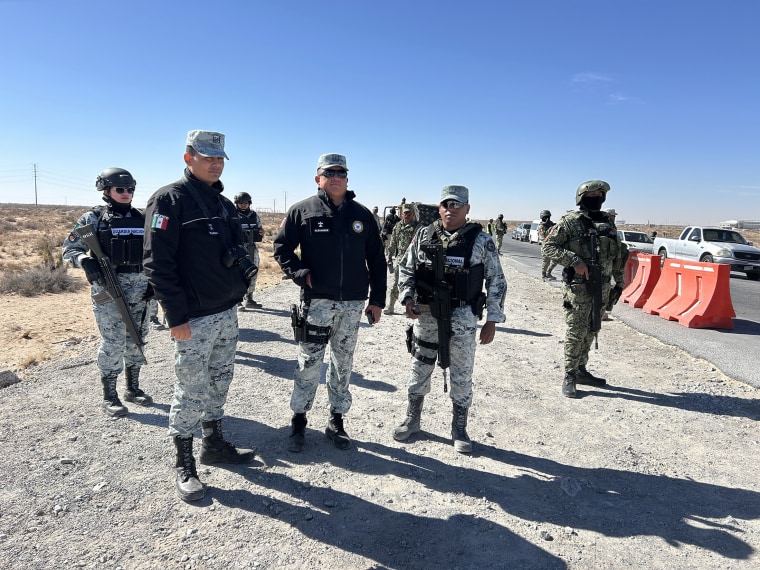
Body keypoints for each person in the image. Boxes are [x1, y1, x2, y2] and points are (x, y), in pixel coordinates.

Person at [143, 130, 256, 502]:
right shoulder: (169, 200)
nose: (215, 163)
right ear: (188, 157)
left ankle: (214, 444)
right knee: (190, 388)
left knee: (220, 380)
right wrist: (175, 317)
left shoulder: (223, 204)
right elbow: (157, 265)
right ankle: (184, 462)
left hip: (225, 311)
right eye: (207, 156)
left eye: (220, 157)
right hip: (192, 317)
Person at [273, 153, 387, 452]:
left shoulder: (363, 216)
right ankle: (299, 419)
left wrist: (377, 300)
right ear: (318, 178)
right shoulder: (303, 211)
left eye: (341, 172)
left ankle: (336, 419)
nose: (336, 177)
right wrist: (298, 273)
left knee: (343, 363)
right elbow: (281, 247)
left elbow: (376, 260)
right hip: (317, 302)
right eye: (329, 172)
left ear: (347, 178)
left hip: (351, 304)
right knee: (309, 362)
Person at [392, 185, 507, 454]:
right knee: (420, 366)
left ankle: (459, 427)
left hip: (463, 317)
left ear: (467, 208)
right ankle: (412, 418)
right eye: (445, 204)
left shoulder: (481, 240)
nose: (450, 209)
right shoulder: (423, 234)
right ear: (439, 207)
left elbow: (496, 280)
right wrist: (407, 299)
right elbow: (406, 268)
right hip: (427, 315)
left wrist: (493, 319)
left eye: (456, 205)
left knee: (462, 371)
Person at [62, 167, 153, 418]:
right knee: (113, 341)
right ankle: (109, 395)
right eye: (120, 189)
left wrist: (155, 282)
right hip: (107, 288)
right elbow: (69, 248)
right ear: (106, 190)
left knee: (138, 337)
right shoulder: (93, 219)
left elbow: (156, 251)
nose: (126, 194)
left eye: (130, 189)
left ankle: (133, 388)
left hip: (142, 288)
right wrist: (84, 261)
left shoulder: (143, 217)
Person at [542, 180, 628, 399]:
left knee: (592, 328)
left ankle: (581, 369)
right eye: (592, 194)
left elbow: (617, 254)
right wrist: (574, 260)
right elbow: (549, 246)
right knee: (576, 331)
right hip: (579, 288)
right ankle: (569, 375)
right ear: (582, 197)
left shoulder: (608, 223)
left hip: (603, 286)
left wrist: (620, 281)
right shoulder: (571, 222)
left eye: (600, 194)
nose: (597, 197)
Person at [384, 203, 419, 314]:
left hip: (413, 260)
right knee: (395, 284)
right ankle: (391, 306)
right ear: (402, 214)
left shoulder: (418, 227)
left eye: (409, 213)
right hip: (400, 259)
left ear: (413, 214)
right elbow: (393, 242)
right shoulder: (398, 226)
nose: (407, 215)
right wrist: (389, 256)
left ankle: (410, 308)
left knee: (412, 284)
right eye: (405, 213)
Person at [233, 191, 264, 310]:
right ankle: (237, 300)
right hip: (238, 248)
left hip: (252, 247)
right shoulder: (232, 214)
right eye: (241, 203)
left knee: (253, 271)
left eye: (245, 202)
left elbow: (259, 228)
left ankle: (249, 298)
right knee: (237, 273)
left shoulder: (253, 215)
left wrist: (261, 232)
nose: (243, 205)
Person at [538, 210, 558, 280]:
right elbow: (544, 239)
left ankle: (549, 273)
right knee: (546, 261)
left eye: (548, 217)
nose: (547, 219)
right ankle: (544, 275)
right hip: (546, 246)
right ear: (542, 217)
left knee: (556, 260)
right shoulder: (541, 227)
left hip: (553, 245)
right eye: (546, 217)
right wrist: (551, 230)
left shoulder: (550, 224)